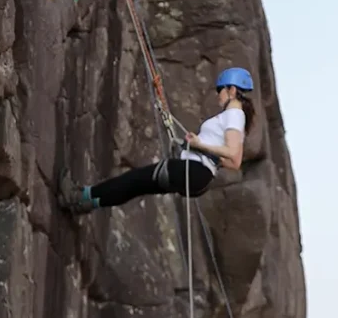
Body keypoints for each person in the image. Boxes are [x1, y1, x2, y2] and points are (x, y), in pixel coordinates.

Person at [59, 67, 255, 213]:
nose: (218, 96)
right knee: (136, 186)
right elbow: (231, 161)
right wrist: (199, 150)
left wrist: (199, 145)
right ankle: (86, 204)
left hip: (195, 171)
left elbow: (233, 157)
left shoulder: (234, 113)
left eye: (220, 90)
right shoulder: (235, 116)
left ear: (231, 89)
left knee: (133, 180)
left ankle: (79, 195)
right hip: (198, 175)